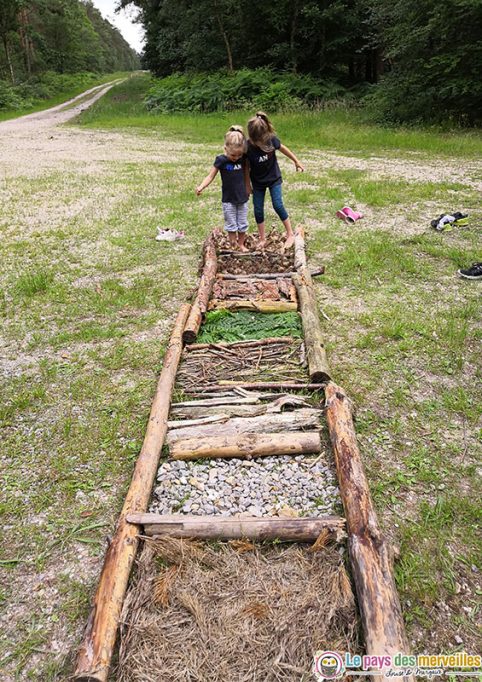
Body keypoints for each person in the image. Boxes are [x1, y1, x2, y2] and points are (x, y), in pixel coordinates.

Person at [246, 111, 304, 249]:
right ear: (253, 139)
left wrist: (296, 161)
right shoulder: (248, 147)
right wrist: (247, 184)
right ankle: (262, 238)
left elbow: (283, 148)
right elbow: (246, 167)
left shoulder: (271, 139)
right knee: (258, 209)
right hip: (258, 182)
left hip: (274, 179)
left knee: (278, 205)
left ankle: (290, 234)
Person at [196, 125, 250, 251]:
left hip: (242, 197)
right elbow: (210, 176)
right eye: (233, 155)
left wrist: (248, 187)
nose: (236, 158)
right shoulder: (221, 161)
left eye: (239, 155)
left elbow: (246, 174)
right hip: (228, 199)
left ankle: (241, 244)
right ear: (225, 149)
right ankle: (233, 245)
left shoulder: (243, 160)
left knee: (242, 223)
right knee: (231, 224)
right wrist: (201, 186)